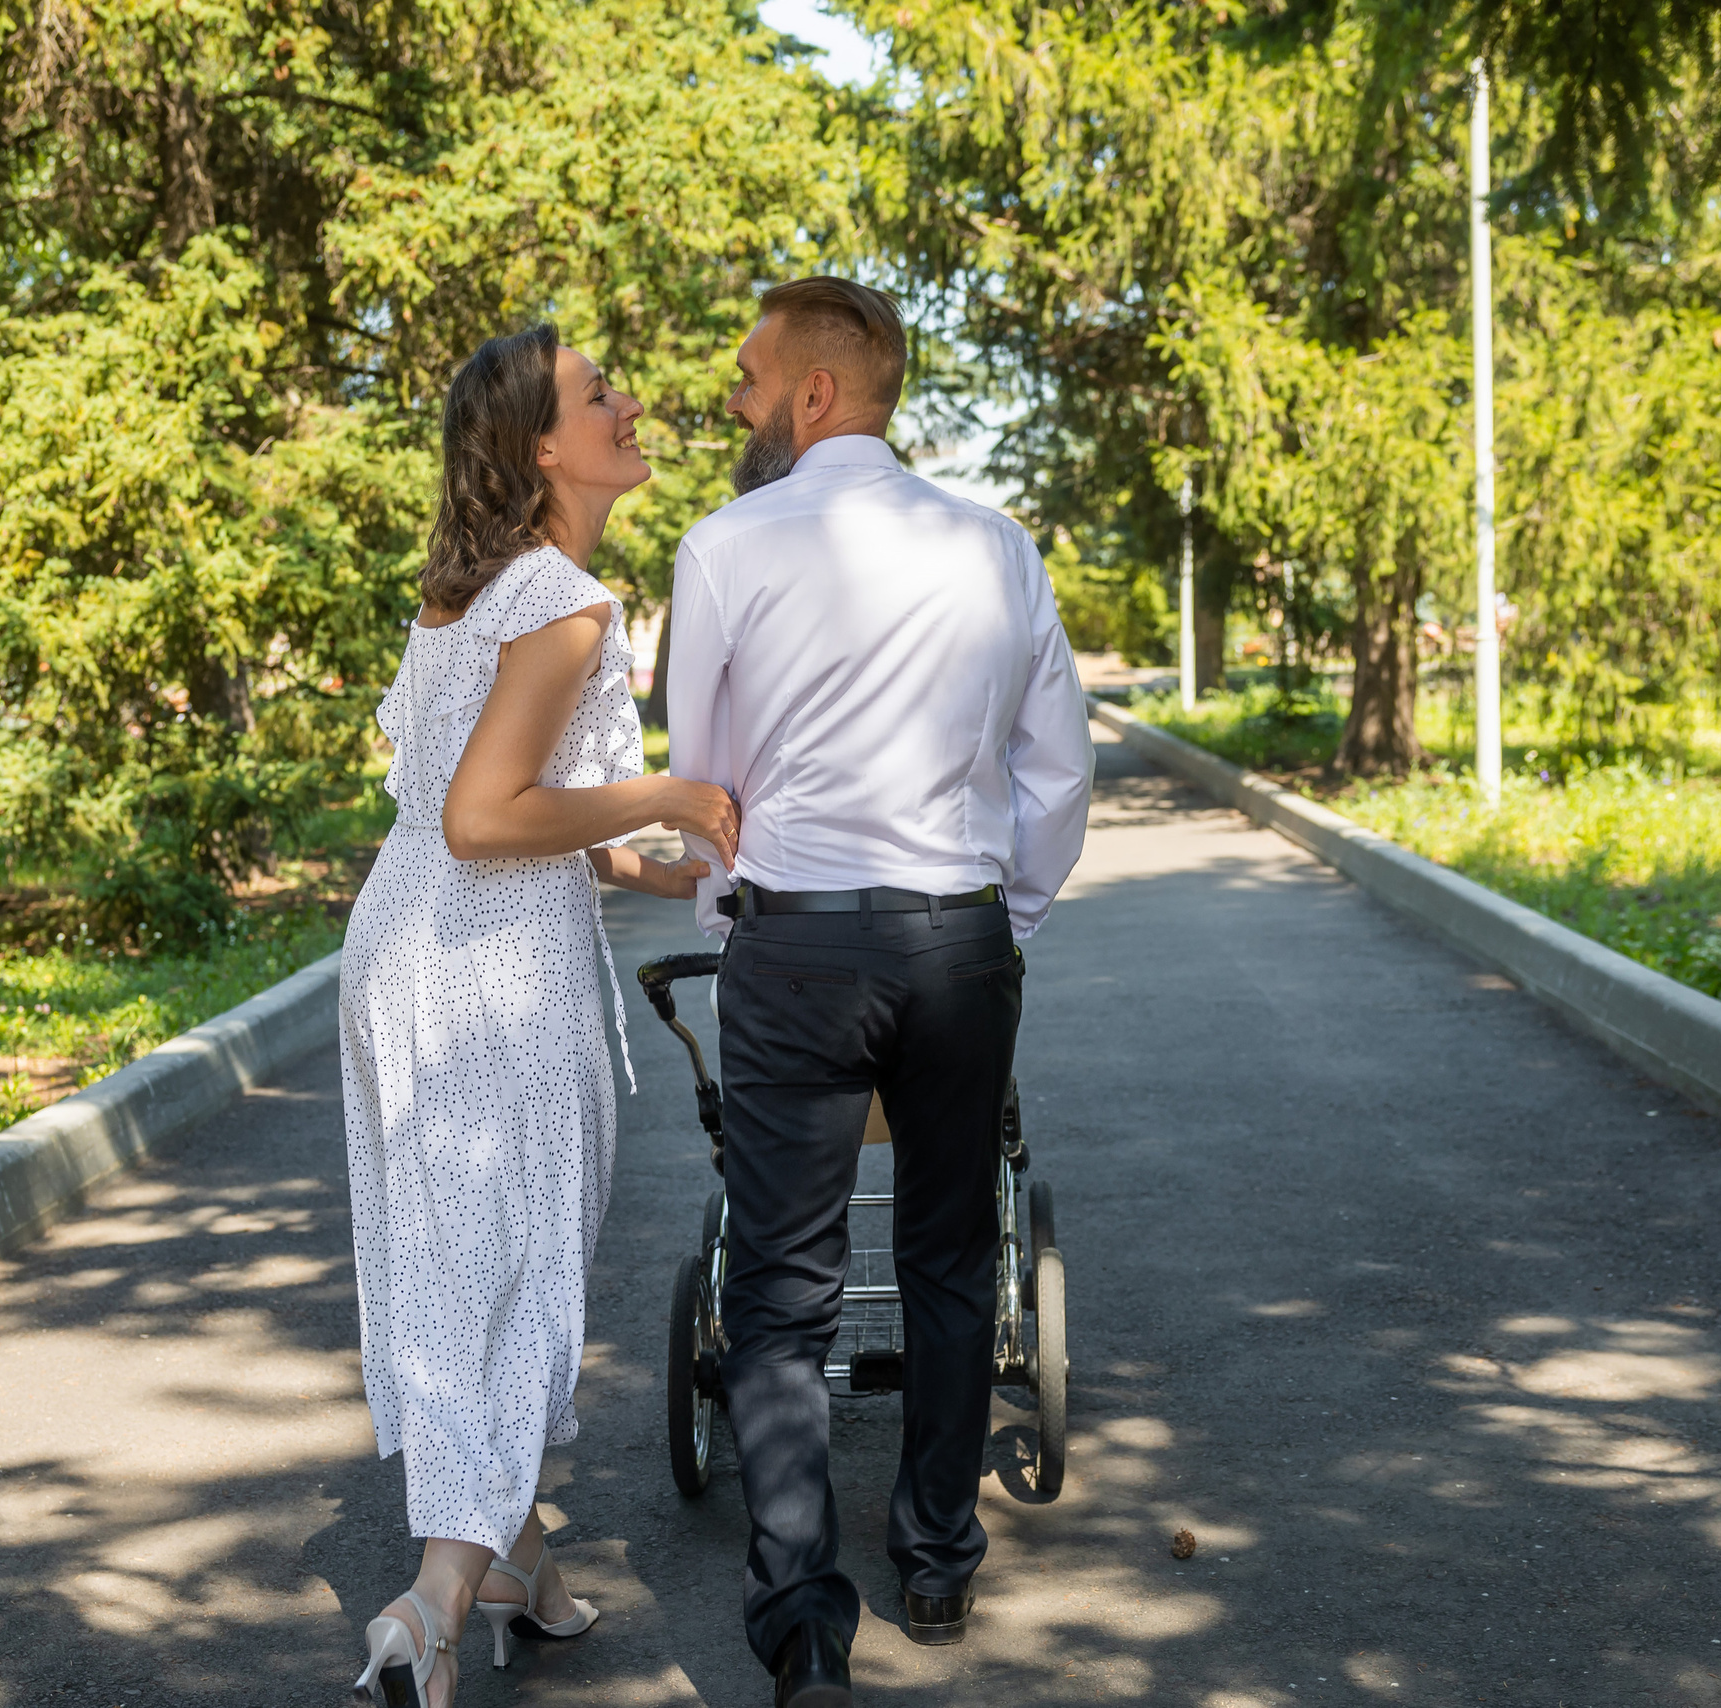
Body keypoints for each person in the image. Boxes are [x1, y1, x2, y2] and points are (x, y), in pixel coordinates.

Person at [666, 279, 1095, 1706]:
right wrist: (1001, 914)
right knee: (951, 1255)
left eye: (745, 379)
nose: (732, 402)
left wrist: (741, 912)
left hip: (794, 944)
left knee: (780, 1296)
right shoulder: (996, 546)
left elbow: (706, 784)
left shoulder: (723, 545)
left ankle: (801, 1630)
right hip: (956, 942)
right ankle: (936, 1554)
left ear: (811, 395)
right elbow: (1057, 766)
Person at [339, 323, 740, 1708]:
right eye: (595, 394)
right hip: (491, 980)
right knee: (509, 1280)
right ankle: (437, 1597)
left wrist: (647, 862)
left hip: (402, 951)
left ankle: (523, 1575)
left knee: (459, 1270)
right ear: (539, 449)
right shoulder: (562, 604)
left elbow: (483, 800)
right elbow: (483, 813)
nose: (626, 403)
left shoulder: (473, 595)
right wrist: (669, 796)